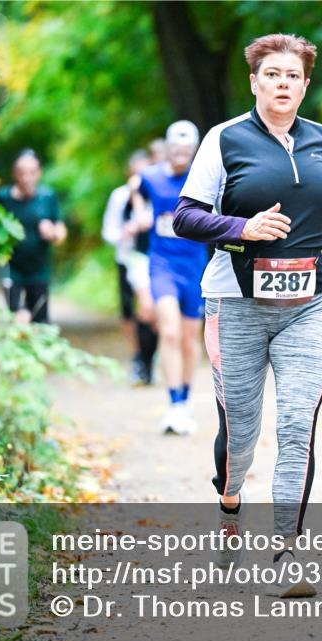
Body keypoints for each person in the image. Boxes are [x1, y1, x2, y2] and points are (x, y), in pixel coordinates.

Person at [172, 33, 322, 596]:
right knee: (242, 435)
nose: (283, 83)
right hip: (236, 303)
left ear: (306, 84)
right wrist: (243, 228)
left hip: (309, 304)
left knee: (297, 424)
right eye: (273, 74)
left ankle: (286, 551)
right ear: (255, 81)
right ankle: (230, 506)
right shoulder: (225, 139)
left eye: (293, 75)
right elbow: (185, 216)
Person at [131, 121, 209, 435]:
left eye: (186, 149)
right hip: (162, 264)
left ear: (194, 150)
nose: (180, 154)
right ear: (167, 148)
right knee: (170, 332)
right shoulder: (151, 177)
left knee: (190, 338)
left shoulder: (203, 178)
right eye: (175, 148)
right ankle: (174, 403)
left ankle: (185, 401)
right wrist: (140, 212)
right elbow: (135, 187)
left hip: (195, 267)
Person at [101, 149, 157, 385]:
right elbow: (108, 231)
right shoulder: (119, 196)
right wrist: (125, 233)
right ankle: (138, 356)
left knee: (149, 309)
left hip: (153, 259)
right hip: (127, 258)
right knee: (129, 312)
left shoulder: (157, 194)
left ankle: (147, 359)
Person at [0, 149, 67, 324]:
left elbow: (61, 231)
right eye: (22, 173)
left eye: (32, 172)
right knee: (18, 318)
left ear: (39, 173)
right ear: (14, 174)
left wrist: (53, 232)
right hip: (11, 270)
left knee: (40, 322)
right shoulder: (2, 198)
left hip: (39, 271)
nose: (26, 178)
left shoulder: (47, 197)